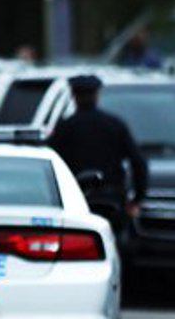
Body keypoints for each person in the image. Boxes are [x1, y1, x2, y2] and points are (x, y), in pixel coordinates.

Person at [47, 75, 148, 237]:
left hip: (74, 200)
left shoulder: (64, 128)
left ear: (74, 96)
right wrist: (137, 199)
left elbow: (50, 163)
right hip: (111, 199)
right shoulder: (114, 124)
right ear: (97, 95)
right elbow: (138, 162)